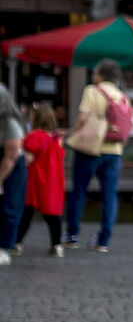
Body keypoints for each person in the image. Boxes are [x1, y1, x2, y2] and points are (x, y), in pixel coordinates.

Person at [64, 59, 131, 252]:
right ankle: (103, 240)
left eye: (95, 72)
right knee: (109, 195)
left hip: (89, 148)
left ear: (100, 75)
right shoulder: (122, 96)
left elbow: (82, 118)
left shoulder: (92, 91)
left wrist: (72, 133)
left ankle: (72, 235)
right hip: (114, 151)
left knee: (79, 191)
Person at [18, 105, 66, 256]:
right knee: (52, 215)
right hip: (53, 181)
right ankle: (57, 245)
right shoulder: (55, 138)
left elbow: (27, 158)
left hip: (36, 180)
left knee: (26, 213)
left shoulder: (34, 136)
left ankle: (16, 242)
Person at [0, 80, 25, 268]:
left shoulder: (10, 123)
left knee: (9, 206)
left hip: (11, 165)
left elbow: (11, 156)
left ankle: (4, 248)